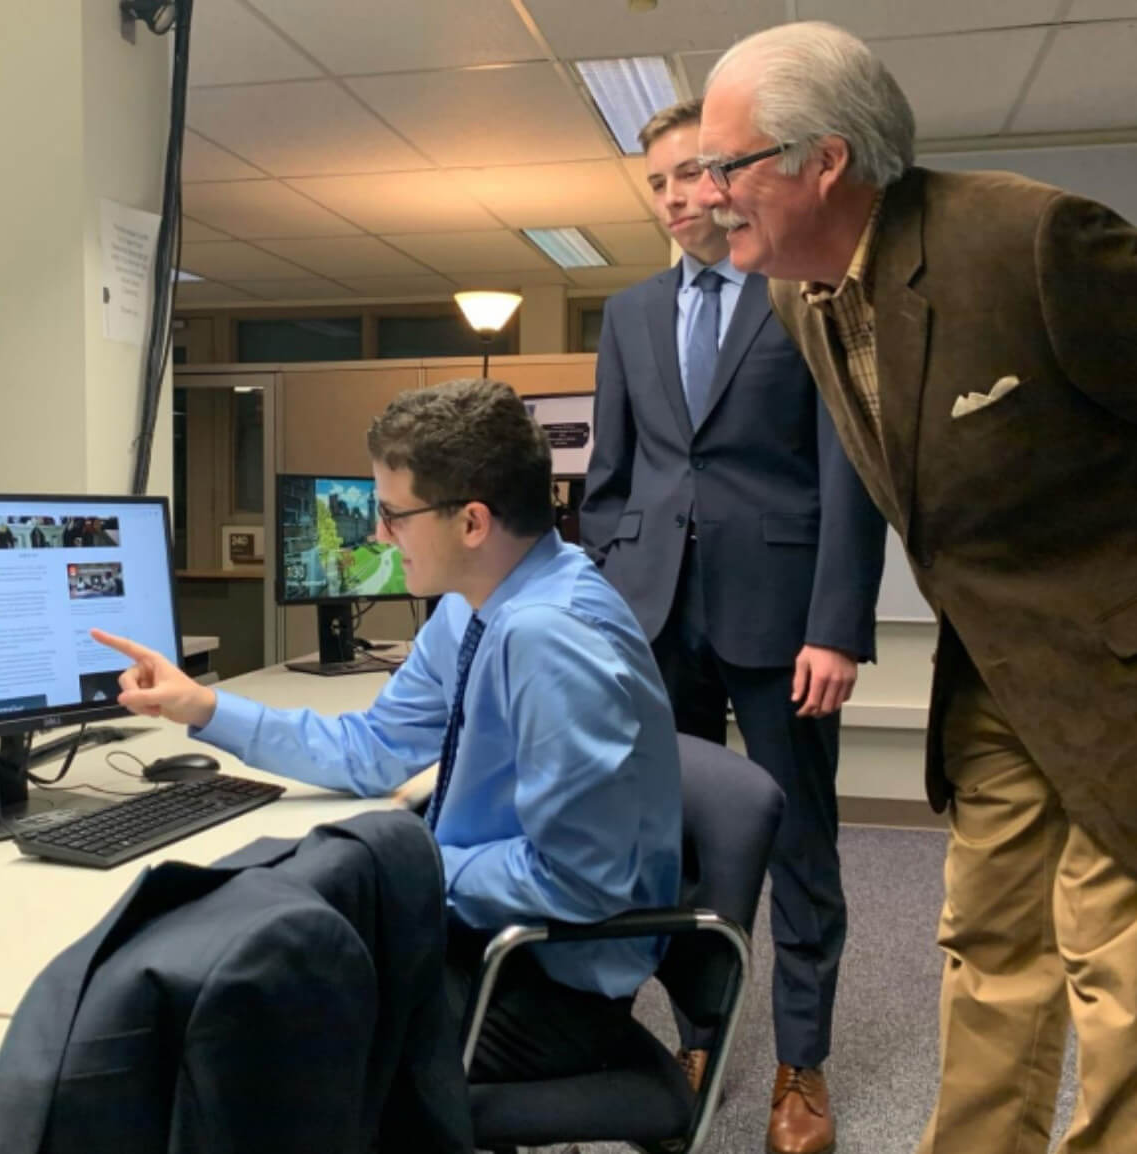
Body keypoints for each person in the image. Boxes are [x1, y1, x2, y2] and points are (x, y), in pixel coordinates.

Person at [698, 21, 1137, 1154]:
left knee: (1115, 960)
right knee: (986, 942)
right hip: (990, 673)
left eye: (727, 164)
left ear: (821, 160)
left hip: (1116, 664)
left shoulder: (1029, 238)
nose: (706, 192)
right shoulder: (801, 299)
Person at [93, 378, 682, 1084]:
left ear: (471, 523)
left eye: (392, 514)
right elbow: (373, 749)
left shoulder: (550, 637)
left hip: (542, 978)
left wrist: (403, 866)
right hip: (486, 931)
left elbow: (584, 884)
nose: (377, 535)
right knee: (257, 972)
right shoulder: (475, 606)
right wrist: (205, 708)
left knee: (262, 1035)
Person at [580, 98, 885, 1154]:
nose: (674, 198)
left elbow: (848, 467)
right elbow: (610, 480)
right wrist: (607, 605)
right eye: (655, 182)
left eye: (690, 175)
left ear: (726, 179)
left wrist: (837, 623)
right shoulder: (624, 314)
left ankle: (799, 1063)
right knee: (665, 845)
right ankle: (697, 1031)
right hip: (652, 621)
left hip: (782, 621)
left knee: (797, 844)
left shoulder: (804, 294)